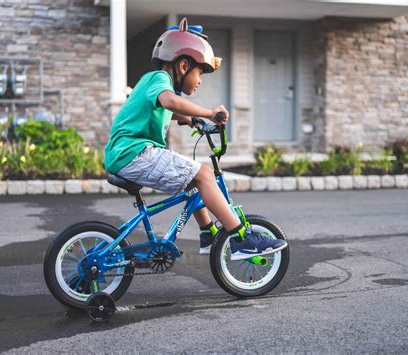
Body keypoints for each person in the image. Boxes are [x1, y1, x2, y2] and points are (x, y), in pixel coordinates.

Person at [105, 18, 286, 260]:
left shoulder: (156, 84)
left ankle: (208, 233)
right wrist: (209, 112)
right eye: (200, 72)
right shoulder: (159, 80)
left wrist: (192, 120)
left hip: (128, 154)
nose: (200, 80)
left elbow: (167, 108)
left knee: (193, 180)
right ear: (183, 66)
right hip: (133, 154)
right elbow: (169, 101)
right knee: (203, 174)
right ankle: (242, 239)